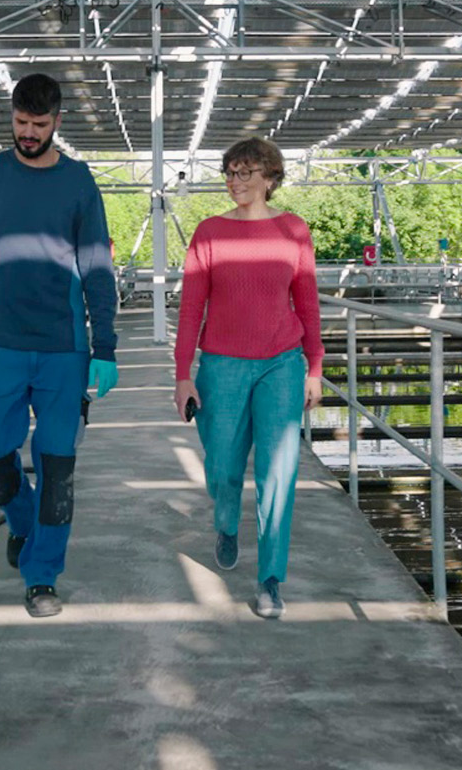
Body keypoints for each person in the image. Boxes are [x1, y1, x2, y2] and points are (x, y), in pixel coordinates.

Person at [0, 73, 118, 618]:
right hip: (1, 346)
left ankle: (42, 576)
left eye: (39, 125)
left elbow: (98, 269)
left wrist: (104, 346)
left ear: (58, 121)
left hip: (64, 347)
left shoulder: (80, 182)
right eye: (20, 122)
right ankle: (23, 523)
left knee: (57, 470)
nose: (28, 133)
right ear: (11, 116)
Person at [172, 137, 323, 619]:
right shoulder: (209, 231)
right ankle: (226, 524)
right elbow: (192, 305)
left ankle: (271, 580)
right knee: (222, 467)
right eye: (230, 173)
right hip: (221, 365)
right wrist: (183, 374)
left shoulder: (293, 230)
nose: (235, 182)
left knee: (279, 471)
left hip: (281, 361)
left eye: (245, 173)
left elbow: (308, 302)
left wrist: (315, 367)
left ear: (270, 178)